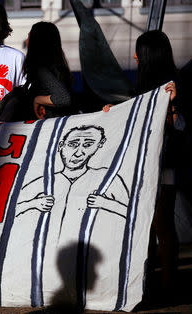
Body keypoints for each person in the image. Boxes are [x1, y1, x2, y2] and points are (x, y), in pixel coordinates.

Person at [103, 30, 183, 299]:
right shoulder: (147, 88)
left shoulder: (174, 88)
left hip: (163, 164)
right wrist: (112, 113)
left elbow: (178, 126)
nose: (135, 56)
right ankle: (152, 281)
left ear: (148, 55)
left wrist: (172, 106)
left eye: (139, 51)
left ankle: (167, 284)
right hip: (150, 164)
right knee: (149, 223)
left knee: (160, 222)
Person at [15, 125, 129, 307]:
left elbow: (134, 215)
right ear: (61, 145)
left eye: (88, 144)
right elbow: (8, 213)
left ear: (100, 146)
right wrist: (34, 203)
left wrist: (106, 204)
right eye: (73, 144)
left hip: (91, 269)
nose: (78, 152)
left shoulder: (107, 178)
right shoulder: (44, 180)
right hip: (47, 268)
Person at [24, 22, 73, 120]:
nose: (26, 40)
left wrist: (37, 100)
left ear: (37, 41)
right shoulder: (56, 67)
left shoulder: (42, 70)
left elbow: (63, 98)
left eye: (30, 36)